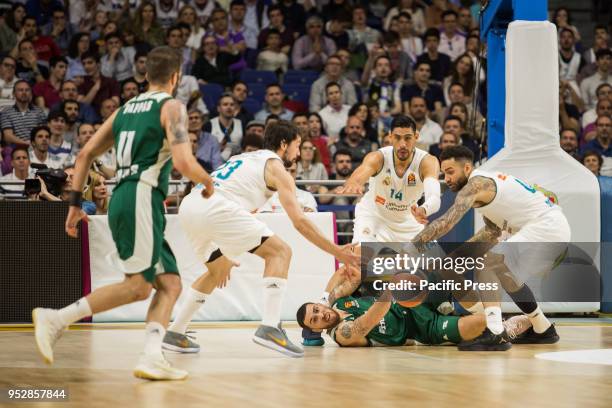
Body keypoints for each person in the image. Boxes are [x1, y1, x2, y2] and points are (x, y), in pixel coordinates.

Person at [32, 46, 216, 381]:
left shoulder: (126, 108)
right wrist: (207, 181)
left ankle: (151, 356)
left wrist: (74, 204)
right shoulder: (172, 105)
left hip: (125, 196)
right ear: (176, 77)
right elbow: (183, 163)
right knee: (137, 287)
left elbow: (85, 152)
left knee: (170, 284)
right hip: (141, 196)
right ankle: (56, 319)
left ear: (145, 76)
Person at [162, 120, 359, 357]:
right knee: (280, 252)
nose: (298, 154)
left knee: (217, 271)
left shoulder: (243, 158)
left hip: (191, 206)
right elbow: (300, 221)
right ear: (284, 144)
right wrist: (337, 251)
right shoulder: (277, 169)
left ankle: (175, 331)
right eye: (297, 146)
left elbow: (239, 205)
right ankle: (269, 326)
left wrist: (228, 248)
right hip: (216, 207)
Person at [410, 146, 568, 350]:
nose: (446, 179)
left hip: (547, 225)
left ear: (467, 168)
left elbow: (446, 223)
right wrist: (455, 260)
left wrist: (413, 244)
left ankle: (495, 332)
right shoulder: (486, 192)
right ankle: (542, 328)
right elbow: (492, 232)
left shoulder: (476, 185)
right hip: (542, 227)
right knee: (454, 268)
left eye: (450, 172)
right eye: (444, 174)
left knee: (489, 263)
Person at [296, 264, 529, 347]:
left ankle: (476, 308)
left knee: (444, 266)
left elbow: (345, 275)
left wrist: (325, 297)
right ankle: (527, 322)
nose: (320, 315)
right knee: (483, 323)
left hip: (412, 300)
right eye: (314, 320)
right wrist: (392, 288)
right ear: (316, 330)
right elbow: (368, 321)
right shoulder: (341, 334)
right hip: (420, 328)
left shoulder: (337, 301)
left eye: (316, 310)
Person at [337, 115, 441, 244]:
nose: (402, 144)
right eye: (397, 138)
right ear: (390, 137)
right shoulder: (378, 157)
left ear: (416, 136)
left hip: (408, 221)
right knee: (359, 257)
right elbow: (358, 175)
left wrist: (424, 209)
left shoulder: (427, 161)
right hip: (373, 216)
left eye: (408, 138)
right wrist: (353, 183)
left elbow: (435, 198)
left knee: (435, 263)